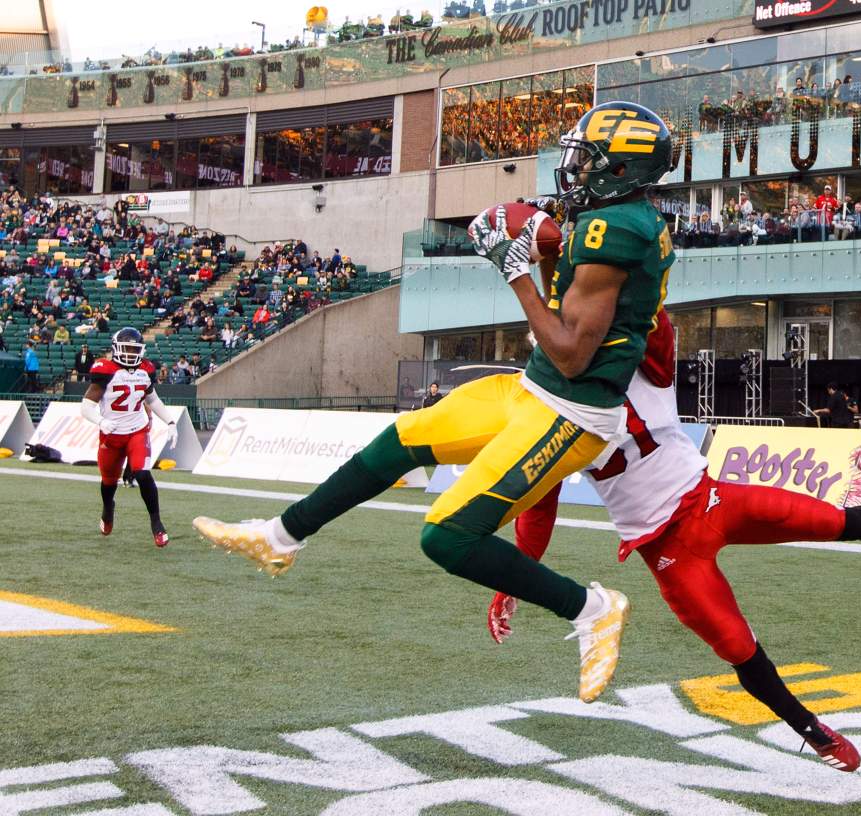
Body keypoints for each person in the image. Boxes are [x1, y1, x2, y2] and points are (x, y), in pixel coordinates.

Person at [191, 101, 677, 704]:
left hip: (571, 413)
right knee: (403, 438)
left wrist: (515, 269)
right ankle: (281, 537)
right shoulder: (615, 220)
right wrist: (545, 257)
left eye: (588, 160)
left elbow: (573, 352)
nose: (574, 169)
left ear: (621, 169)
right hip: (535, 391)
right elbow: (569, 312)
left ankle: (591, 609)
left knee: (447, 536)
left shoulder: (617, 230)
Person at [485, 311, 861, 773]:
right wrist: (513, 581)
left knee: (832, 520)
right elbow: (538, 506)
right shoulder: (550, 416)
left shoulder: (640, 362)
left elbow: (649, 310)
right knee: (736, 646)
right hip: (667, 550)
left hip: (711, 501)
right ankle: (812, 731)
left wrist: (609, 278)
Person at [80, 328, 177, 547]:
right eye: (127, 349)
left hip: (136, 430)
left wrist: (171, 422)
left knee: (142, 474)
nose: (132, 353)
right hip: (111, 435)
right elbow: (86, 407)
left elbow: (152, 400)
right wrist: (101, 421)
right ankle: (108, 509)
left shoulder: (145, 370)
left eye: (135, 349)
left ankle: (157, 523)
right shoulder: (106, 370)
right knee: (108, 482)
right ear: (116, 349)